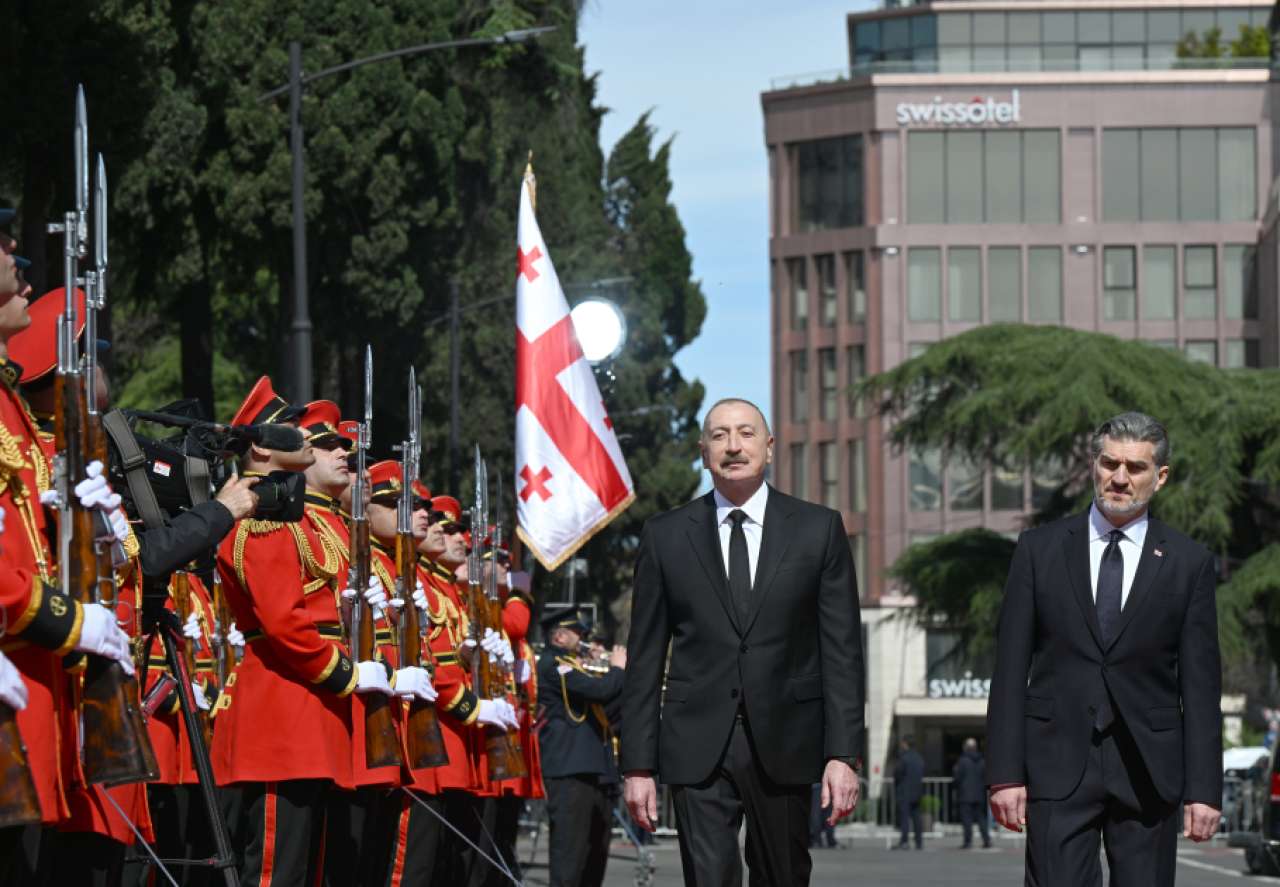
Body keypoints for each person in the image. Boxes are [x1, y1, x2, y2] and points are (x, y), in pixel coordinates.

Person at [622, 397, 864, 886]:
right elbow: (644, 659)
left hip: (787, 740)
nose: (733, 446)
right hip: (695, 744)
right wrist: (637, 767)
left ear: (769, 447)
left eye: (746, 433)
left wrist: (843, 755)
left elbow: (841, 653)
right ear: (703, 452)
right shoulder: (666, 536)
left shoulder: (818, 529)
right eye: (720, 435)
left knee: (784, 876)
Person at [987, 412, 1222, 887]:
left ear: (1160, 476)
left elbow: (1200, 686)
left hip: (1149, 771)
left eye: (1135, 467)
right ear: (1093, 464)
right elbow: (1010, 670)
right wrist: (1005, 775)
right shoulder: (1039, 550)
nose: (1119, 478)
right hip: (1056, 762)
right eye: (1110, 463)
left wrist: (1204, 789)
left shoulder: (1188, 562)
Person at [211, 377, 394, 886]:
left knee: (311, 870)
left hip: (312, 711)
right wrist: (347, 674)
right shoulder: (264, 520)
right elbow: (284, 623)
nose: (306, 441)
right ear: (260, 448)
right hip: (283, 713)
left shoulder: (297, 519)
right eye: (293, 433)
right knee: (279, 871)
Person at [537, 606, 626, 887]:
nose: (585, 639)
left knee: (594, 857)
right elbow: (599, 692)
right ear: (559, 637)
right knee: (569, 859)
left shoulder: (578, 666)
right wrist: (617, 669)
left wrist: (612, 673)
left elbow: (610, 706)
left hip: (597, 770)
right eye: (579, 633)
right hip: (570, 771)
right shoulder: (554, 665)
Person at [952, 738, 989, 849]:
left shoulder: (962, 761)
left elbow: (957, 777)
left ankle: (968, 841)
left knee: (967, 819)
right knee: (981, 818)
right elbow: (985, 777)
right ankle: (986, 840)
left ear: (966, 747)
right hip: (979, 794)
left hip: (965, 794)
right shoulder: (982, 761)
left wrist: (955, 786)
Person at [893, 737, 924, 850]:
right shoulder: (919, 758)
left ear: (905, 744)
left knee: (904, 818)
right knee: (916, 818)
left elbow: (897, 773)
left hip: (905, 791)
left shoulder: (904, 758)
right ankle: (919, 842)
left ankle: (904, 841)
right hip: (917, 791)